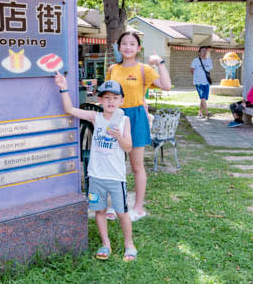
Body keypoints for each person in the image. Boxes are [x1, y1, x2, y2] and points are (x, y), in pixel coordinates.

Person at [55, 75, 136, 261]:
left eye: (115, 98)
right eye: (107, 97)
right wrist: (64, 87)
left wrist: (119, 138)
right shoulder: (95, 117)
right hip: (96, 176)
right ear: (99, 100)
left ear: (121, 100)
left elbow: (128, 147)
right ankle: (105, 243)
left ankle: (129, 244)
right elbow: (69, 109)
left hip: (116, 177)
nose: (111, 101)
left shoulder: (124, 120)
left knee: (122, 213)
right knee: (99, 211)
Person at [107, 31, 171, 221]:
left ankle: (138, 207)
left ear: (138, 48)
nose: (128, 47)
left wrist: (160, 62)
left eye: (132, 44)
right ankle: (116, 204)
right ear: (119, 47)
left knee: (136, 165)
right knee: (113, 164)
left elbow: (166, 85)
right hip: (115, 117)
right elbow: (108, 95)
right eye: (124, 43)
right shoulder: (112, 69)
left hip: (136, 118)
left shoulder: (144, 69)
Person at [190, 46, 214, 118]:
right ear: (199, 53)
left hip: (206, 82)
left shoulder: (209, 60)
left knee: (203, 98)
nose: (204, 52)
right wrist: (197, 77)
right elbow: (191, 70)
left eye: (205, 51)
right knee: (202, 97)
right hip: (198, 82)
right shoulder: (196, 60)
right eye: (203, 51)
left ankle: (200, 113)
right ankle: (207, 113)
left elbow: (209, 70)